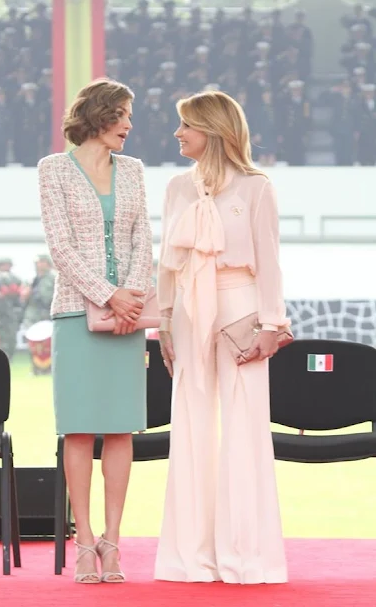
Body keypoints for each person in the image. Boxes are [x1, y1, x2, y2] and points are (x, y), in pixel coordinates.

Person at [155, 90, 289, 584]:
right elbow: (168, 263)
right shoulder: (175, 188)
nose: (177, 134)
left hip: (240, 309)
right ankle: (191, 557)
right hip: (190, 311)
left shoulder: (256, 187)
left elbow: (269, 261)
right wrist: (164, 322)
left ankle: (245, 557)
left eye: (185, 125)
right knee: (189, 426)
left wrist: (273, 325)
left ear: (212, 130)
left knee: (244, 428)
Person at [37, 78, 153, 584]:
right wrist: (109, 295)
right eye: (123, 114)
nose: (129, 125)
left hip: (128, 315)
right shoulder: (52, 171)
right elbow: (60, 247)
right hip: (74, 314)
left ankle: (113, 543)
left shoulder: (133, 171)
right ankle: (83, 542)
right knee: (79, 428)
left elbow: (143, 238)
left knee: (121, 428)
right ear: (100, 115)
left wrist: (130, 297)